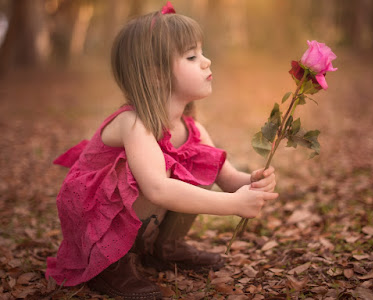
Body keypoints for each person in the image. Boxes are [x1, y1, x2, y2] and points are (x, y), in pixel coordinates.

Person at [46, 2, 278, 299]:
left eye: (202, 53)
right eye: (192, 56)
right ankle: (109, 263)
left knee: (199, 159)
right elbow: (156, 188)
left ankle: (163, 247)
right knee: (162, 172)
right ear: (155, 73)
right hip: (96, 219)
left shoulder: (191, 129)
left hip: (137, 211)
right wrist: (233, 205)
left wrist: (253, 183)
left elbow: (226, 176)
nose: (206, 62)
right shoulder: (133, 122)